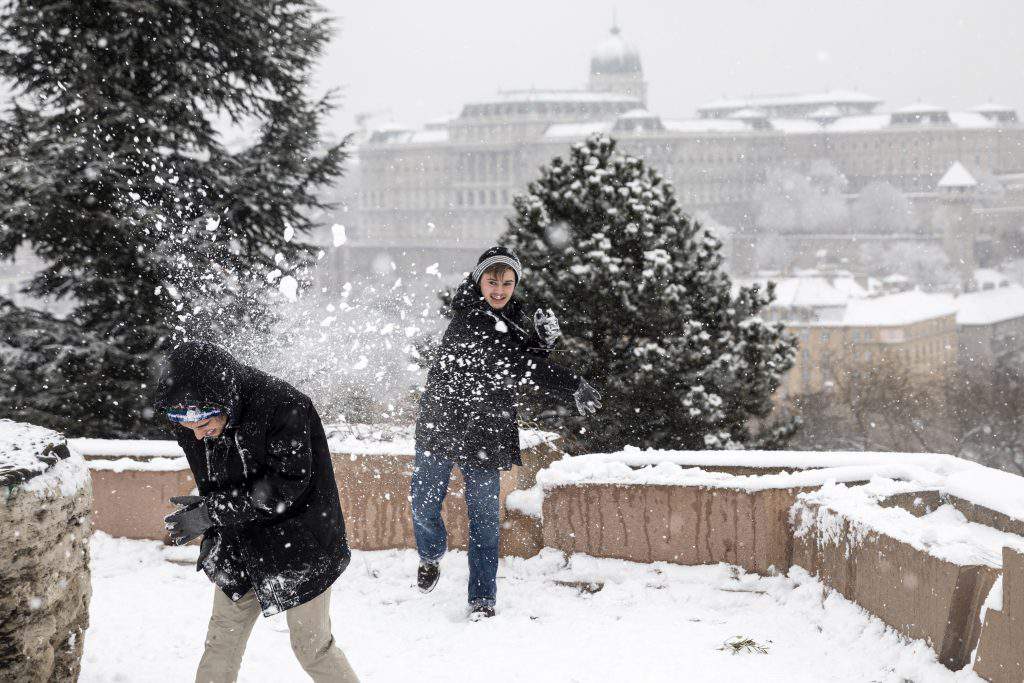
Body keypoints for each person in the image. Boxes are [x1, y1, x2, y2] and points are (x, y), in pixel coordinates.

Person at [413, 246, 602, 620]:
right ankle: (431, 552)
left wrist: (542, 344)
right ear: (478, 280)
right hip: (443, 422)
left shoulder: (513, 320)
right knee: (422, 503)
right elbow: (512, 364)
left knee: (484, 522)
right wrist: (571, 383)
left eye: (507, 282)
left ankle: (483, 598)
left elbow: (517, 358)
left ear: (515, 284)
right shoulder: (468, 317)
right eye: (492, 280)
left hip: (487, 429)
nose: (499, 289)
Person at [154, 341, 359, 683]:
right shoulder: (193, 418)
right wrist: (211, 510)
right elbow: (215, 474)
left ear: (226, 398)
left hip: (300, 541)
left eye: (204, 421)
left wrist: (212, 512)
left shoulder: (283, 406)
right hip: (237, 540)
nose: (197, 433)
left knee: (312, 647)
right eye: (185, 423)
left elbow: (286, 486)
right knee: (221, 641)